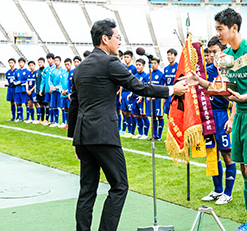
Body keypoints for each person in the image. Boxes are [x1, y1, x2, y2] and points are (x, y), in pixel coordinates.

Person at [68, 18, 188, 231]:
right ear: (105, 39)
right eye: (117, 38)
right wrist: (172, 90)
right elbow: (140, 87)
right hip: (104, 134)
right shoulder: (111, 63)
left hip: (83, 136)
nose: (120, 43)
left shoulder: (81, 67)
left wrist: (75, 140)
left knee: (87, 190)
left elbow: (74, 105)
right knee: (120, 185)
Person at [186, 8, 247, 231]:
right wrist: (200, 81)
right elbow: (226, 89)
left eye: (220, 29)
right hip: (240, 117)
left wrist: (244, 97)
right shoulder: (230, 57)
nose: (218, 34)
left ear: (234, 28)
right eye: (216, 29)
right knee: (244, 170)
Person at [200, 36, 237, 205]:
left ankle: (227, 193)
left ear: (223, 51)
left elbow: (235, 96)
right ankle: (217, 190)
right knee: (212, 154)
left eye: (214, 52)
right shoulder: (206, 71)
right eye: (209, 53)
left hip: (222, 114)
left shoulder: (230, 69)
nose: (211, 56)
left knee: (227, 154)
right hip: (208, 116)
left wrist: (231, 118)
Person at [127, 58, 149, 139]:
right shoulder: (135, 76)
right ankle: (140, 133)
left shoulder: (146, 76)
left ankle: (145, 134)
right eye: (137, 65)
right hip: (134, 98)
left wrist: (141, 96)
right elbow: (134, 87)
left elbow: (146, 88)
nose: (138, 66)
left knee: (143, 115)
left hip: (141, 99)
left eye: (139, 65)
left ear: (143, 66)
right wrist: (130, 94)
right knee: (137, 116)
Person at [145, 58, 165, 141]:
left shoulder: (161, 75)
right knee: (153, 117)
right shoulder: (148, 75)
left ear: (158, 64)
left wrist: (156, 96)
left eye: (155, 63)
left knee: (159, 116)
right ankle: (154, 135)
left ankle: (159, 136)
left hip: (158, 100)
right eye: (152, 63)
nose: (153, 65)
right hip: (150, 100)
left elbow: (162, 87)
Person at [120, 50, 137, 138]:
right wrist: (120, 95)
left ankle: (131, 131)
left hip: (129, 93)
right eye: (125, 57)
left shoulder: (133, 69)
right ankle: (125, 130)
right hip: (123, 93)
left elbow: (134, 82)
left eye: (128, 57)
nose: (126, 59)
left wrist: (131, 92)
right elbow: (122, 82)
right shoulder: (123, 68)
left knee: (131, 113)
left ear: (131, 58)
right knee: (124, 112)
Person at [49, 55, 67, 127]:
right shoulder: (52, 70)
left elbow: (62, 81)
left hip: (59, 91)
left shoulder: (63, 70)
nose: (56, 62)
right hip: (53, 91)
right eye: (55, 61)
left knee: (61, 106)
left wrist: (57, 87)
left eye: (57, 61)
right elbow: (49, 80)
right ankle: (56, 122)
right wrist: (51, 86)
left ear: (60, 62)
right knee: (54, 106)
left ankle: (63, 122)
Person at [162, 48, 178, 118]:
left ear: (175, 56)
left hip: (176, 93)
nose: (169, 57)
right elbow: (165, 83)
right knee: (169, 115)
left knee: (176, 114)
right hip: (168, 93)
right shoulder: (166, 69)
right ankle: (170, 129)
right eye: (168, 55)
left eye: (171, 55)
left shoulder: (178, 67)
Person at [39, 53, 55, 125]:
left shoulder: (55, 68)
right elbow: (43, 80)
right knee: (48, 105)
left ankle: (54, 120)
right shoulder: (46, 69)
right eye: (47, 58)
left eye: (50, 58)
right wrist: (41, 89)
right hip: (47, 90)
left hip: (53, 90)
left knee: (53, 105)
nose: (48, 60)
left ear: (53, 59)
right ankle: (48, 120)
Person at [13, 58, 29, 122]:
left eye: (22, 62)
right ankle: (20, 117)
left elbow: (27, 80)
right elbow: (14, 79)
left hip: (24, 89)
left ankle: (27, 117)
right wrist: (16, 82)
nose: (20, 64)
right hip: (17, 89)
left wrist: (21, 82)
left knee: (26, 103)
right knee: (18, 103)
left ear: (24, 63)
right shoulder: (16, 71)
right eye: (19, 62)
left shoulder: (27, 71)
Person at [60, 58, 73, 129]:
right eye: (65, 64)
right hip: (63, 94)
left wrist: (68, 91)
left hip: (69, 94)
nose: (67, 66)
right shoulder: (63, 73)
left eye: (68, 64)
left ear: (71, 64)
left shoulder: (73, 73)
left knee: (70, 108)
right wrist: (62, 90)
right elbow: (60, 83)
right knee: (65, 109)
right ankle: (67, 123)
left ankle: (71, 124)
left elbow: (72, 84)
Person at [34, 57, 46, 124]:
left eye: (41, 62)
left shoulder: (45, 71)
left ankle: (46, 119)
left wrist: (43, 90)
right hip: (38, 91)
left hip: (44, 91)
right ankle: (41, 119)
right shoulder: (37, 71)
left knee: (46, 104)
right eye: (39, 62)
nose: (40, 63)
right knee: (40, 104)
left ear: (44, 63)